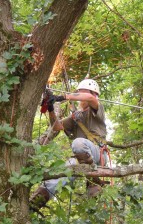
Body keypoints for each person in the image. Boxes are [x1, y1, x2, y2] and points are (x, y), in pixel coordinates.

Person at [30, 79, 108, 212]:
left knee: (77, 143)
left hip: (98, 154)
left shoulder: (97, 108)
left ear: (93, 94)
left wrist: (63, 97)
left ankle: (92, 177)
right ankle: (36, 202)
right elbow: (56, 126)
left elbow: (89, 98)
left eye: (80, 92)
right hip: (81, 157)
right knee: (61, 172)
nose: (78, 95)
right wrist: (50, 108)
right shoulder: (76, 117)